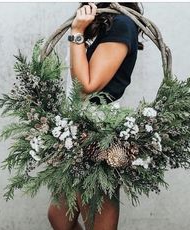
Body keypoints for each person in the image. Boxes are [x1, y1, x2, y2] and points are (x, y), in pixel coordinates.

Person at [47, 2, 144, 230]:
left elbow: (87, 86)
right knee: (59, 218)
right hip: (76, 130)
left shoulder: (121, 24)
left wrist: (77, 33)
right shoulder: (100, 21)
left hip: (98, 134)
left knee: (97, 225)